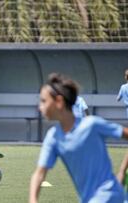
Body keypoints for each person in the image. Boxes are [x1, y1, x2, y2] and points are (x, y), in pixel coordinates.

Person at [29, 73, 128, 203]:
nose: (39, 107)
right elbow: (39, 173)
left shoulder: (92, 125)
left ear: (59, 102)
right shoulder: (53, 137)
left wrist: (122, 170)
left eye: (43, 101)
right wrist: (33, 199)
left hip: (110, 194)